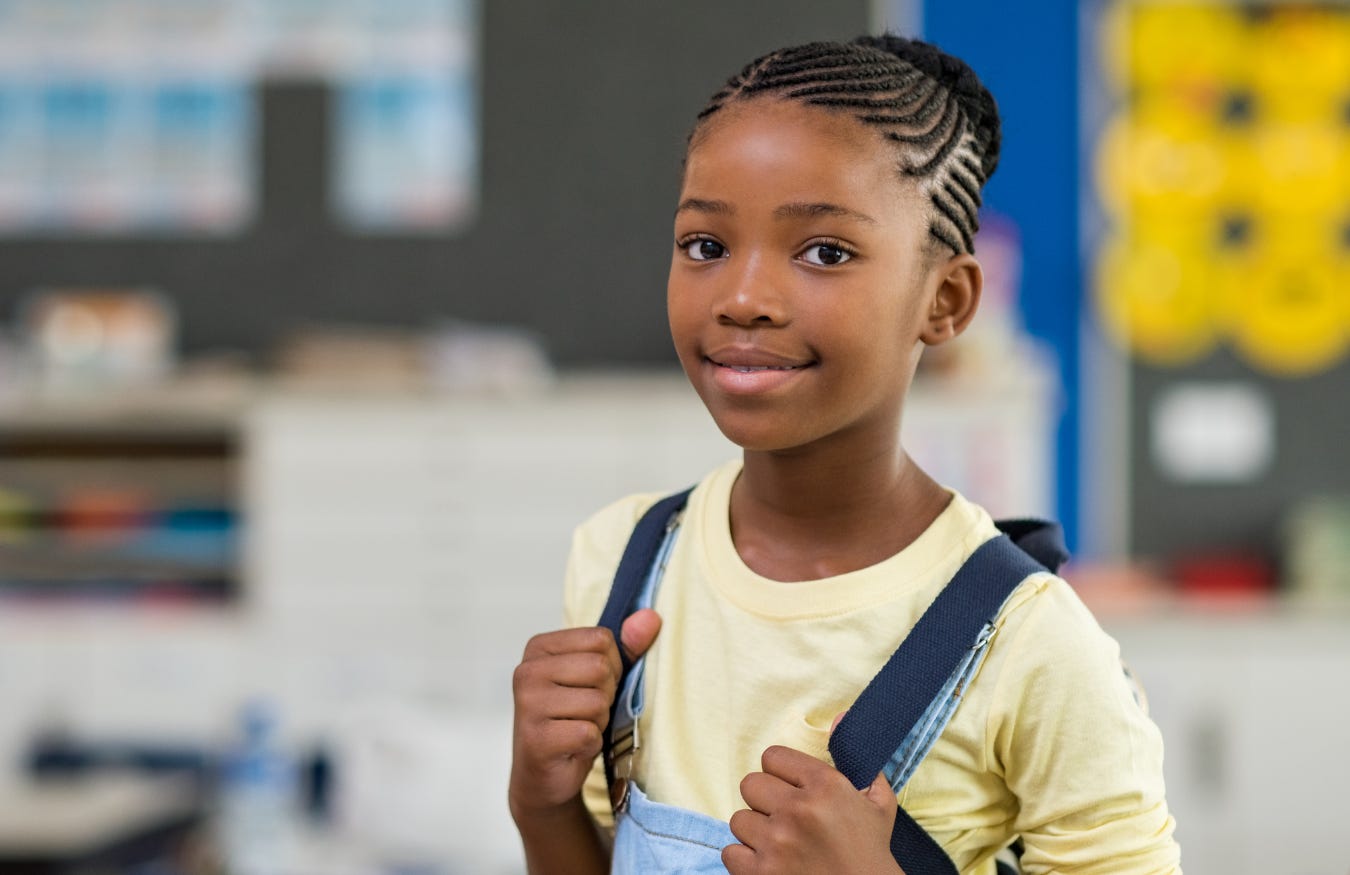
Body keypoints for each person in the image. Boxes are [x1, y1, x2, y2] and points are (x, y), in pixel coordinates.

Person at [509, 33, 1181, 875]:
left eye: (824, 252)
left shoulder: (1034, 645)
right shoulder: (623, 562)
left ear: (945, 299)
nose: (744, 297)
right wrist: (540, 802)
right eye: (705, 246)